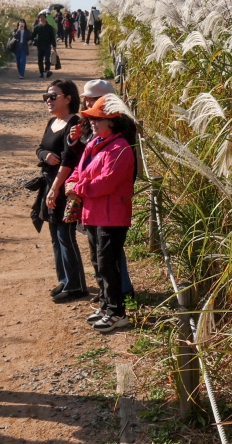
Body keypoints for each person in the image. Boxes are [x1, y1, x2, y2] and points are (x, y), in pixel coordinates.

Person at [68, 93, 136, 332]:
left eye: (98, 119)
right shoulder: (94, 145)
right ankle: (108, 305)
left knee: (109, 263)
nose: (93, 122)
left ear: (112, 121)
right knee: (98, 262)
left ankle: (118, 312)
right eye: (92, 119)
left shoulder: (121, 148)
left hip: (113, 216)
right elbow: (79, 170)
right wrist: (72, 183)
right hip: (94, 213)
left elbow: (108, 182)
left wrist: (77, 188)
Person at [37, 79, 88, 303]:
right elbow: (40, 148)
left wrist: (56, 188)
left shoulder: (74, 123)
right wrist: (44, 156)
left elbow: (69, 159)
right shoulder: (52, 122)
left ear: (68, 99)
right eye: (46, 97)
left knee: (66, 236)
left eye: (53, 96)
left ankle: (77, 285)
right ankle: (65, 279)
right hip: (49, 183)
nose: (48, 100)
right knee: (55, 236)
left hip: (65, 187)